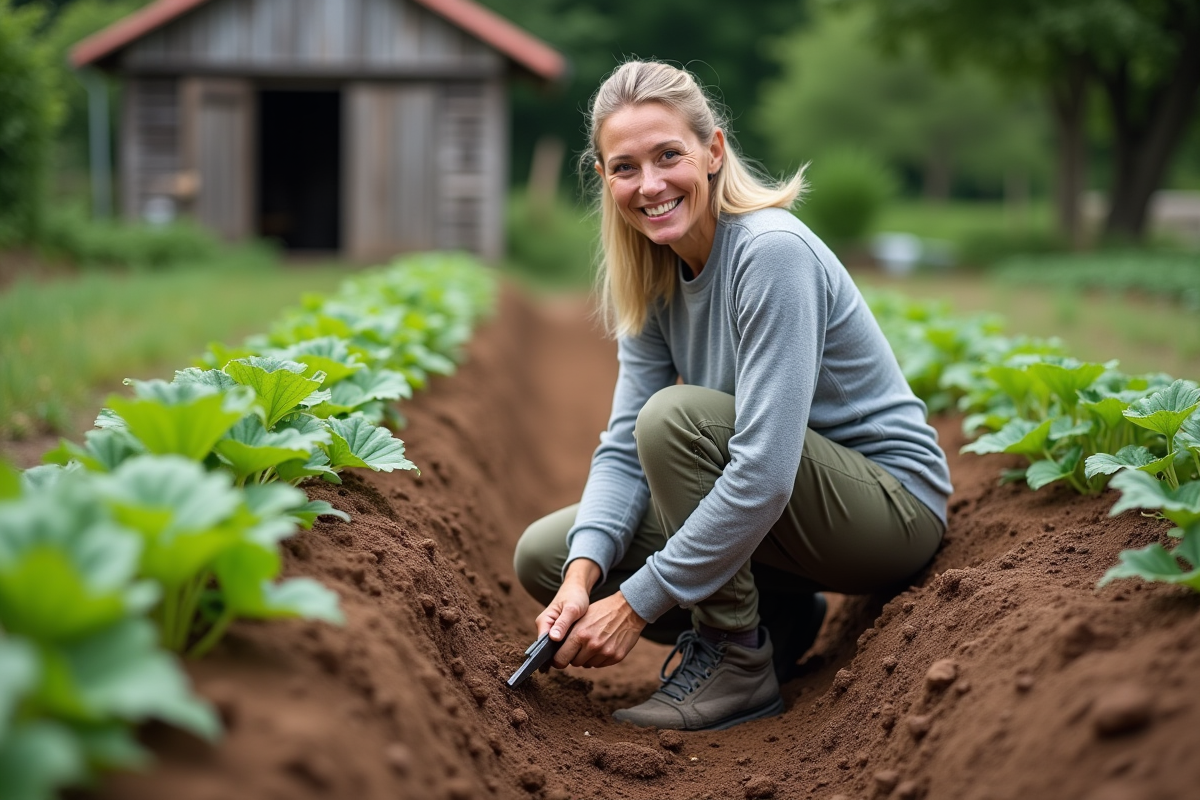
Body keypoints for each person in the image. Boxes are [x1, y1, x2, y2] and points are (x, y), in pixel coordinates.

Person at [512, 60, 952, 732]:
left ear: (713, 150)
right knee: (550, 553)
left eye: (668, 156)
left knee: (677, 421)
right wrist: (581, 582)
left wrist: (634, 603)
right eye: (626, 167)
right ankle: (779, 616)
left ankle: (737, 658)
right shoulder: (655, 275)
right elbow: (624, 453)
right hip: (799, 513)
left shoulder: (769, 252)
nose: (651, 185)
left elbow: (765, 471)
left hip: (888, 511)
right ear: (604, 179)